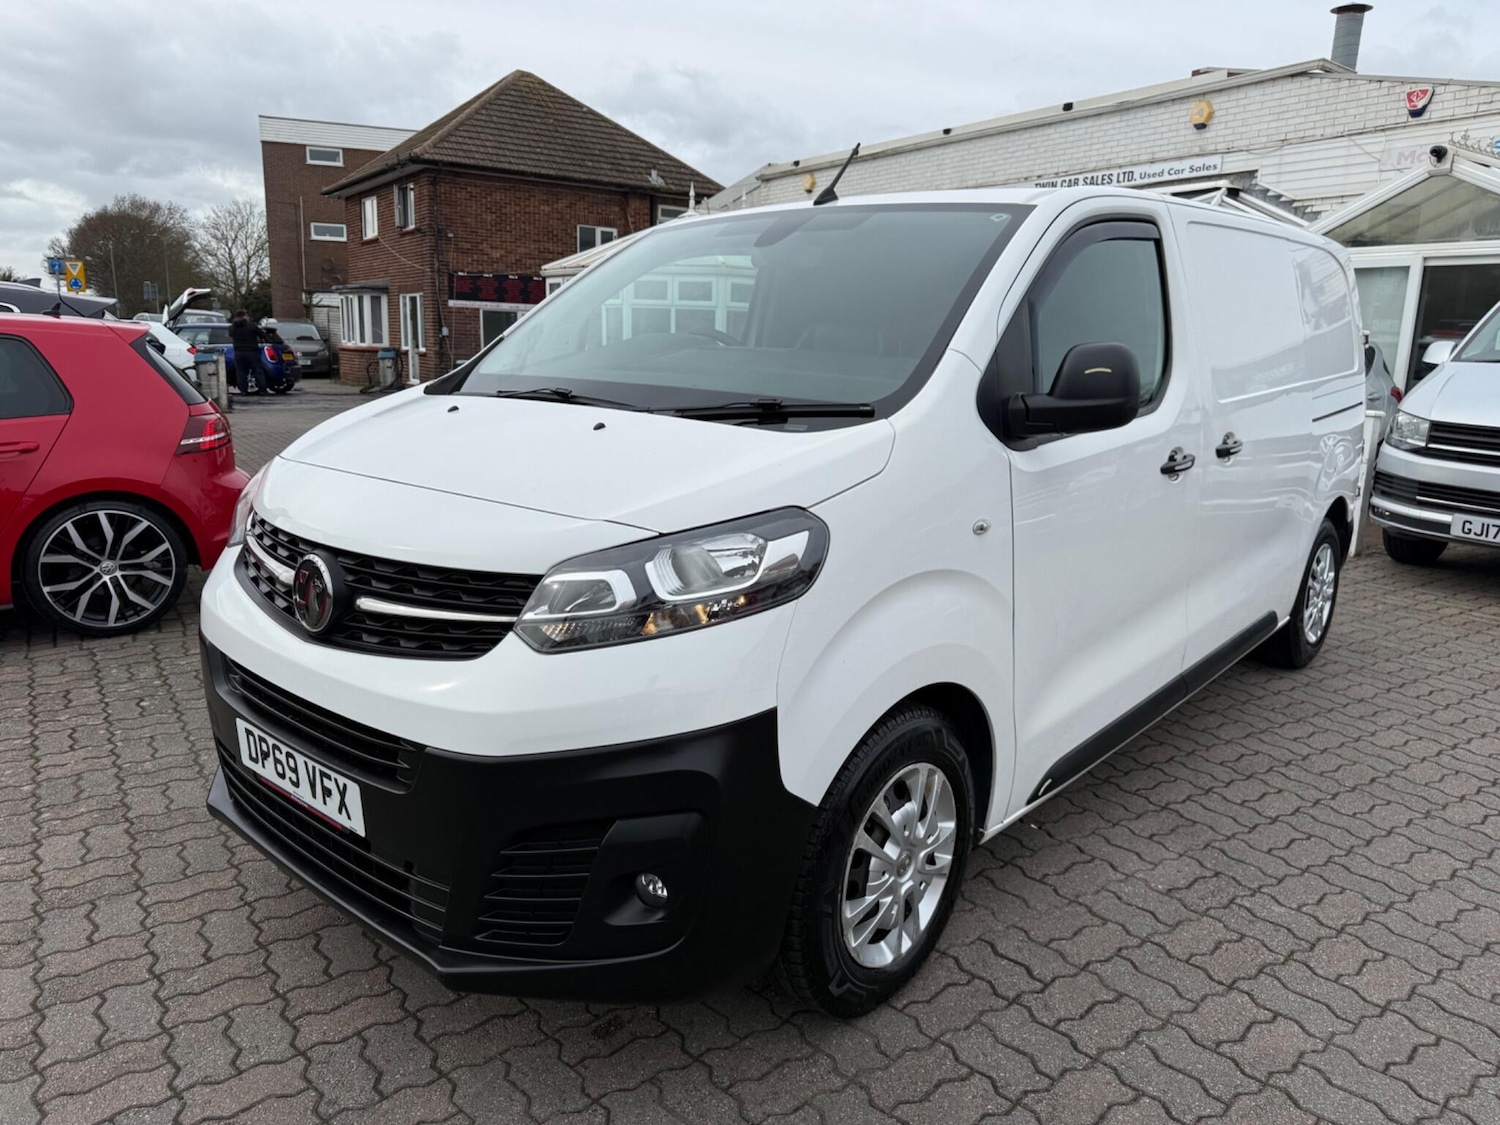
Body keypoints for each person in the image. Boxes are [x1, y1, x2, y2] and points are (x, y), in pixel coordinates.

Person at [228, 310, 266, 395]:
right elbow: (262, 335)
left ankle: (243, 391)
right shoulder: (251, 326)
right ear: (244, 316)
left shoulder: (232, 328)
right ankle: (262, 390)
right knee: (257, 370)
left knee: (241, 372)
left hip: (238, 352)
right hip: (251, 351)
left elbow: (231, 335)